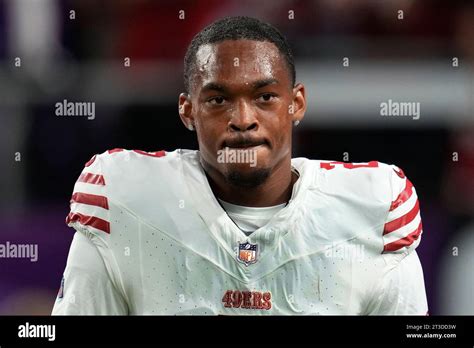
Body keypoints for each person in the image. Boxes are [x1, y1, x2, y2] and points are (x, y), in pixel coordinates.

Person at [52, 16, 427, 315]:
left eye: (265, 96)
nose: (243, 119)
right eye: (218, 100)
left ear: (295, 103)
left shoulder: (374, 210)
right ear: (188, 110)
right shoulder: (125, 201)